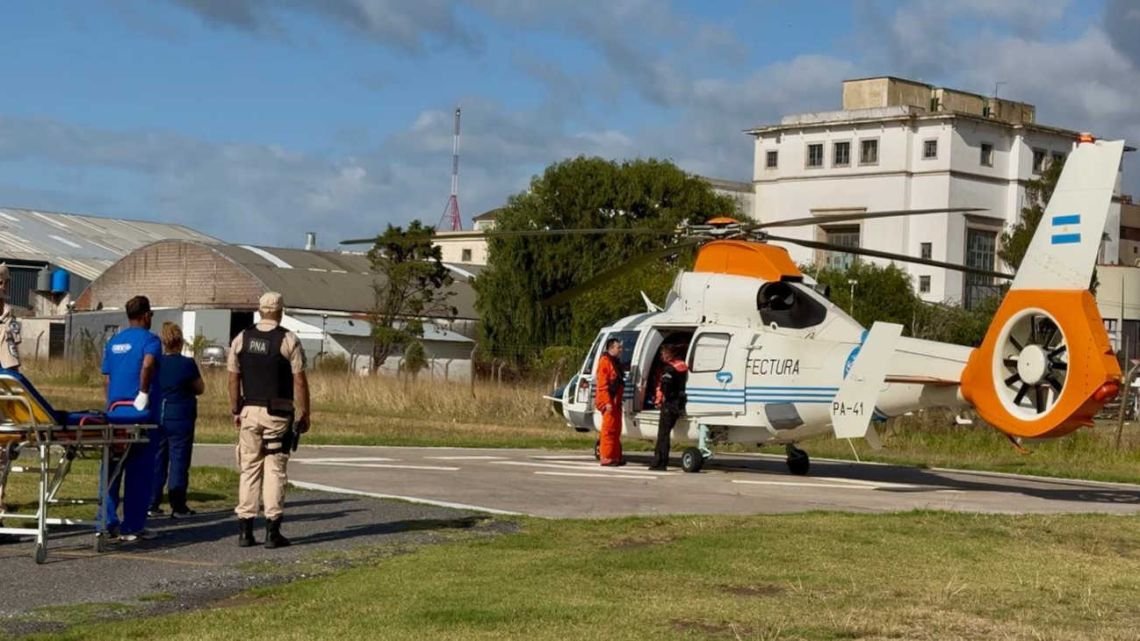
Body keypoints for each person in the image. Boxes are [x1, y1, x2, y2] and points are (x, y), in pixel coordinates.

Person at [228, 292, 310, 549]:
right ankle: (272, 530)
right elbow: (299, 379)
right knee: (274, 469)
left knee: (249, 468)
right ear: (280, 311)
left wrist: (235, 409)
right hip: (278, 413)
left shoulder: (241, 338)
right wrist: (304, 412)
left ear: (259, 310)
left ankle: (245, 529)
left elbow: (233, 377)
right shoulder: (288, 339)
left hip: (249, 410)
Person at [100, 295, 161, 542]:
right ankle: (132, 525)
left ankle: (106, 520)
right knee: (140, 470)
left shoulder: (114, 341)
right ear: (146, 315)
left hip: (115, 412)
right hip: (141, 413)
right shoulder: (150, 340)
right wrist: (143, 393)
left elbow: (107, 378)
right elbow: (148, 365)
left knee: (111, 468)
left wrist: (111, 404)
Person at [149, 322, 205, 518]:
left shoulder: (155, 363)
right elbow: (200, 388)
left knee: (157, 460)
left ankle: (152, 502)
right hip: (180, 415)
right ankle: (178, 504)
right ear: (180, 341)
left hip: (158, 414)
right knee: (179, 461)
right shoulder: (187, 364)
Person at [0, 264, 21, 544]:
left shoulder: (11, 317)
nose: (2, 286)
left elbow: (15, 357)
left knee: (2, 458)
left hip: (5, 392)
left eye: (4, 282)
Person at [649, 344, 688, 471]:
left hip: (669, 404)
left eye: (663, 353)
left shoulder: (669, 369)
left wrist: (661, 399)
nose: (662, 356)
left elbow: (666, 387)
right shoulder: (683, 366)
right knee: (666, 433)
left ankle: (660, 462)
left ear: (669, 354)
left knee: (663, 435)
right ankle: (661, 460)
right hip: (679, 403)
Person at [594, 337, 625, 467]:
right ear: (611, 348)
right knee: (608, 430)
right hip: (609, 401)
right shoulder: (605, 362)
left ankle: (615, 456)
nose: (621, 350)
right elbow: (602, 385)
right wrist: (607, 402)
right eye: (618, 347)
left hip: (615, 401)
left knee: (616, 429)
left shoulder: (615, 362)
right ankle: (606, 457)